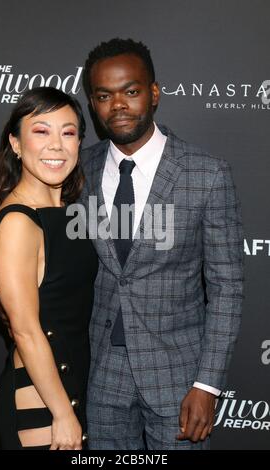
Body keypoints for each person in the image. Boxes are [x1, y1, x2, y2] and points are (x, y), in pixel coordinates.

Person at [80, 38, 244, 450]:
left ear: (153, 93)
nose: (118, 105)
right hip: (102, 371)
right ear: (93, 103)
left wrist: (207, 384)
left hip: (179, 373)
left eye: (131, 91)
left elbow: (227, 288)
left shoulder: (205, 174)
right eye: (104, 95)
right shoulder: (80, 170)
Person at [0, 87, 98, 450]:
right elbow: (26, 331)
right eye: (41, 131)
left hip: (73, 383)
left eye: (67, 132)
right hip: (41, 400)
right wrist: (63, 414)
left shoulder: (70, 213)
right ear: (16, 143)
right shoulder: (18, 222)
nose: (56, 145)